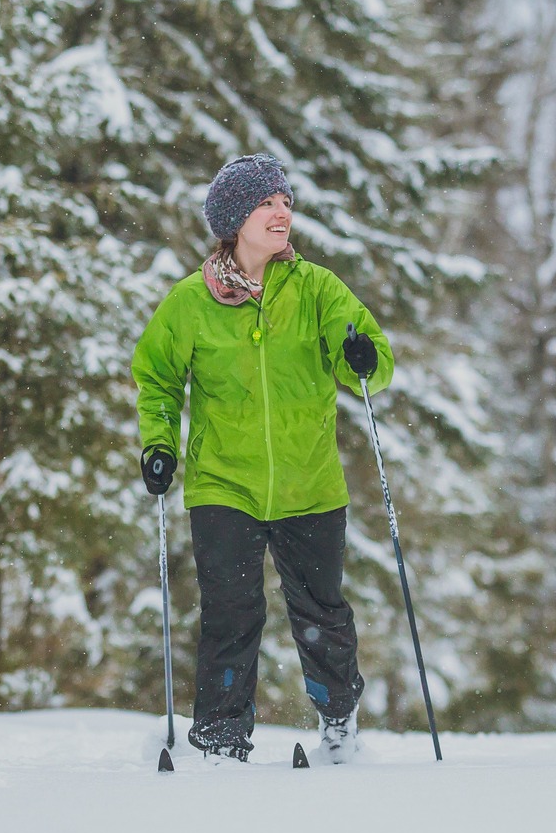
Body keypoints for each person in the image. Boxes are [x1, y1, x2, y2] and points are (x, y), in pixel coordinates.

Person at [131, 153, 392, 765]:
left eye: (286, 202)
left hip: (310, 483)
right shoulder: (190, 303)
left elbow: (371, 359)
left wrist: (362, 359)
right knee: (230, 611)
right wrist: (160, 444)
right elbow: (158, 379)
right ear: (234, 218)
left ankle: (337, 724)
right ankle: (221, 740)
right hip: (223, 483)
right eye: (268, 203)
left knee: (322, 612)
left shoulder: (317, 288)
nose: (283, 212)